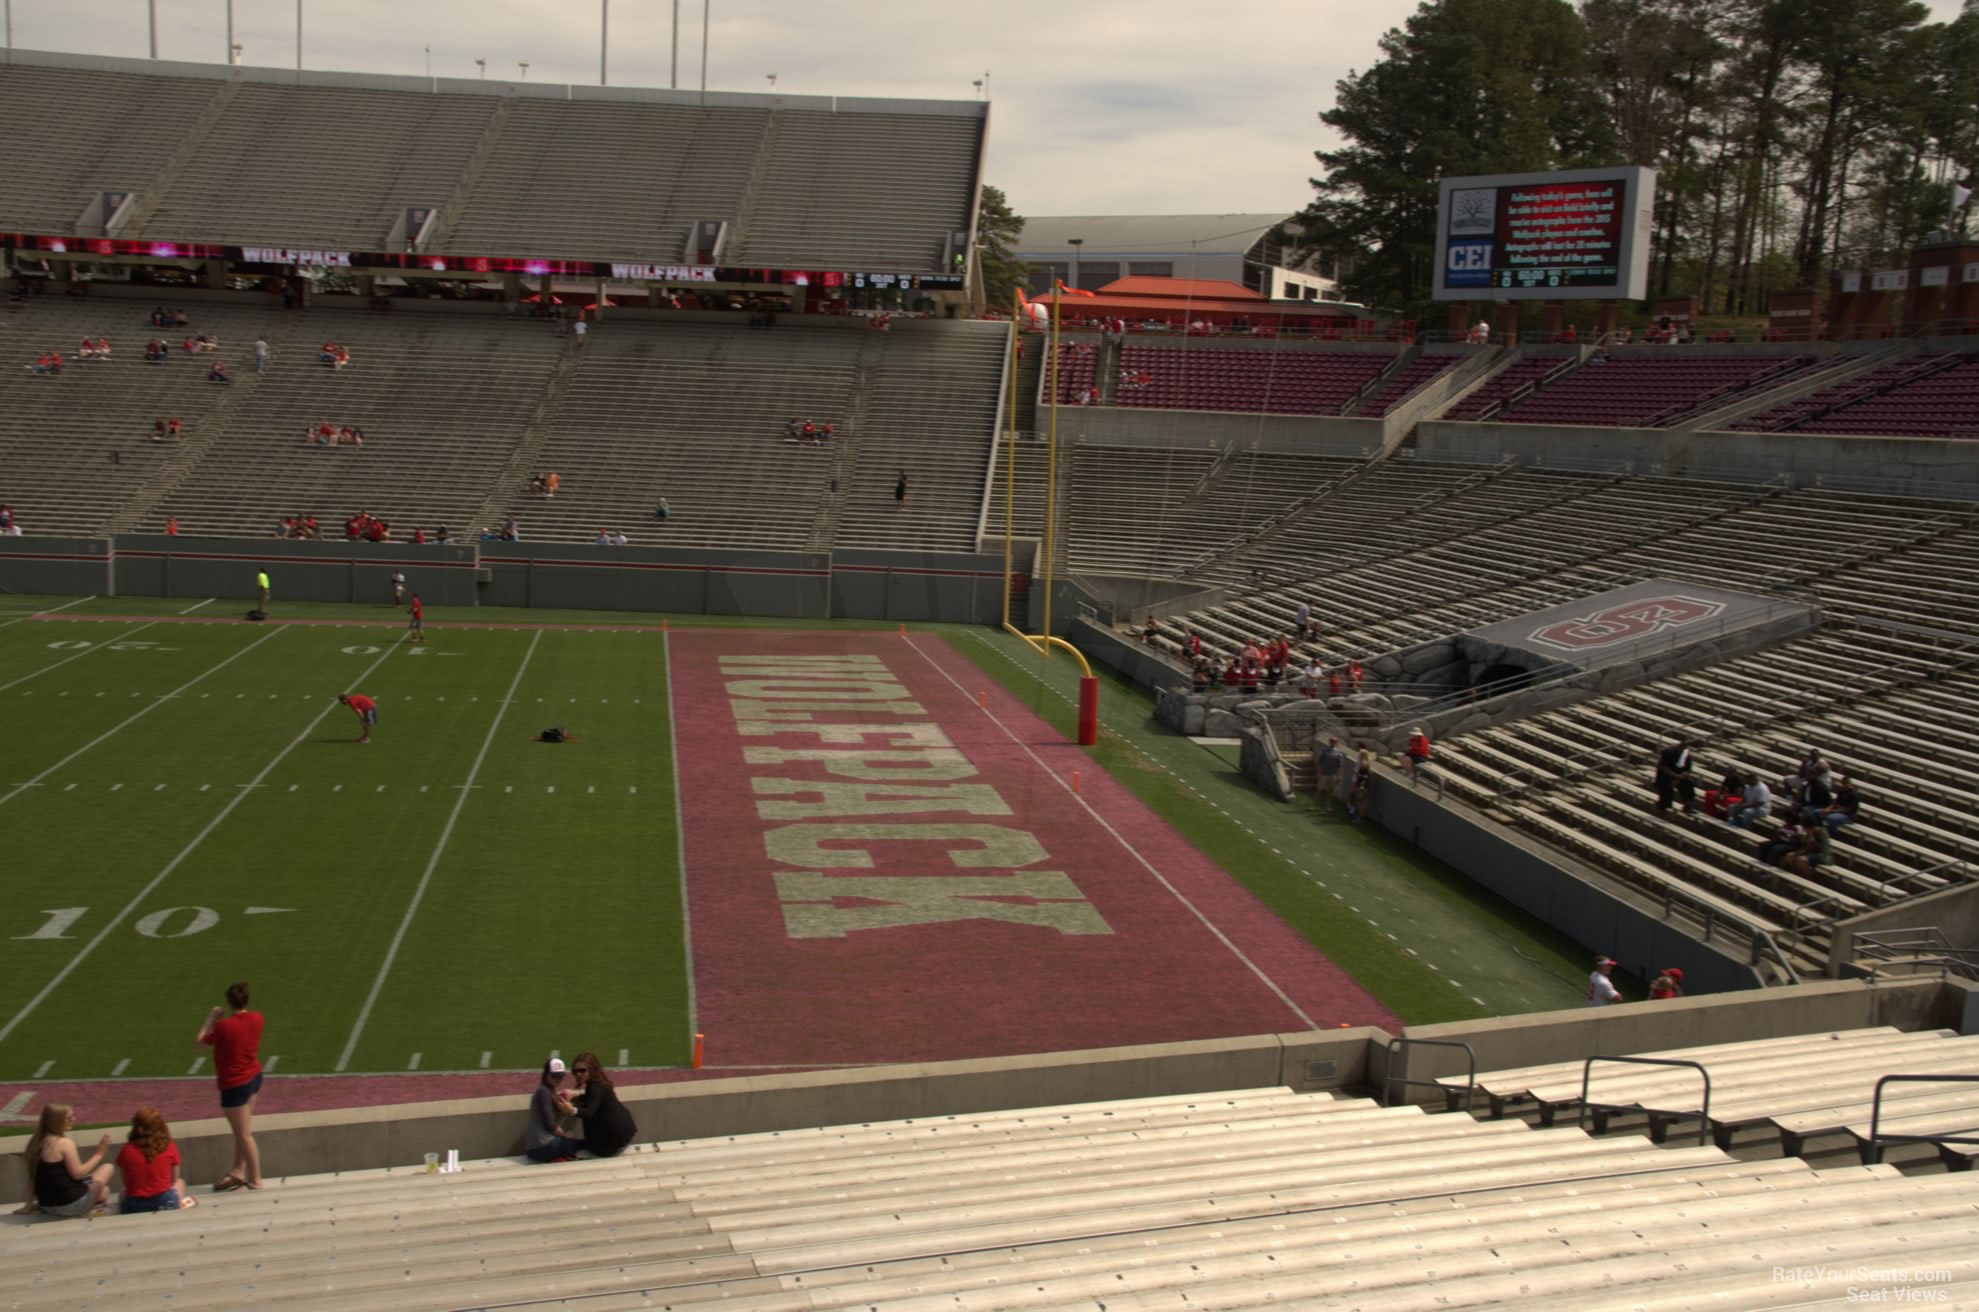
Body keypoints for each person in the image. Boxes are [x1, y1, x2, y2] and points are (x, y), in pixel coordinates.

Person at [197, 981, 264, 1192]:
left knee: (244, 1135)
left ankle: (256, 1179)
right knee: (242, 1130)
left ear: (228, 1002)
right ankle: (238, 1170)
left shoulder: (224, 1026)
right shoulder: (257, 1018)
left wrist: (210, 1019)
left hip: (234, 1084)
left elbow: (200, 1043)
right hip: (253, 1076)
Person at [12, 1104, 114, 1218]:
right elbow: (78, 1174)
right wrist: (100, 1153)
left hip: (47, 1206)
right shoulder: (64, 1143)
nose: (73, 1120)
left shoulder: (36, 1143)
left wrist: (28, 1205)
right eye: (69, 1118)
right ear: (57, 1121)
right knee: (107, 1168)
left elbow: (31, 1178)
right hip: (71, 1205)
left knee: (104, 1190)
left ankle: (99, 1197)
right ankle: (94, 1205)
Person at [116, 1107, 193, 1213]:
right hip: (165, 1201)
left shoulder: (126, 1150)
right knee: (180, 1183)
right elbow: (173, 1179)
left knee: (122, 1193)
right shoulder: (169, 1146)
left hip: (135, 1206)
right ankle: (177, 1203)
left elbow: (126, 1182)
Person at [559, 1053, 637, 1158]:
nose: (578, 1074)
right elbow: (594, 1098)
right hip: (623, 1133)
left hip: (610, 1145)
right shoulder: (600, 1082)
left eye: (582, 1070)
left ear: (592, 1069)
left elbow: (589, 1112)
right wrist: (576, 1094)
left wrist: (571, 1110)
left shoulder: (595, 1087)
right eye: (575, 1071)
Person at [524, 1058, 587, 1162]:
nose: (558, 1079)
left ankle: (559, 1157)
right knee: (581, 1144)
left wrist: (572, 1095)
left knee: (574, 1144)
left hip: (537, 1147)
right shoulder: (543, 1092)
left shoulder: (547, 1090)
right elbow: (550, 1126)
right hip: (542, 1148)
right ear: (546, 1074)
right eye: (554, 1076)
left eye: (560, 1076)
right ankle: (559, 1157)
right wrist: (566, 1135)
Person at [1654, 739, 1696, 814]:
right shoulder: (1668, 752)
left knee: (1688, 784)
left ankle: (1687, 806)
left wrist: (1678, 779)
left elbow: (1687, 770)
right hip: (1666, 776)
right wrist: (1675, 776)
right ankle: (1661, 809)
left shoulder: (1686, 755)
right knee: (1665, 789)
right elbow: (1663, 767)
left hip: (1679, 777)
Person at [1315, 736, 1345, 815]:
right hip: (1324, 773)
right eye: (1332, 741)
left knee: (1331, 791)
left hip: (1333, 774)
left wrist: (1340, 775)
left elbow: (1340, 765)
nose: (1333, 743)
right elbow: (1319, 762)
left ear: (1336, 743)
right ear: (1329, 742)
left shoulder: (1338, 752)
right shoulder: (1324, 751)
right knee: (1320, 789)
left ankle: (1328, 806)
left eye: (1334, 742)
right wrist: (1318, 772)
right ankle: (1314, 805)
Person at [1345, 746, 1373, 823]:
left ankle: (1360, 817)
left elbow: (1364, 776)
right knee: (1362, 802)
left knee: (1360, 802)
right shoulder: (1367, 764)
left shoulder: (1363, 765)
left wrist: (1357, 774)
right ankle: (1360, 816)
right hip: (1364, 786)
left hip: (1361, 786)